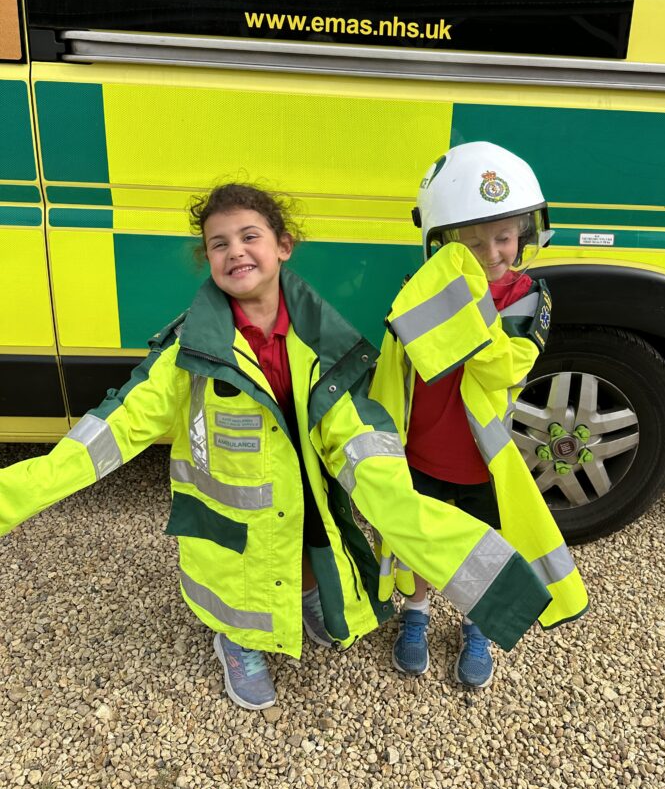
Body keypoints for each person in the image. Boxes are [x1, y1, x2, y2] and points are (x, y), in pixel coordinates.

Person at [0, 180, 562, 710]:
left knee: (321, 540)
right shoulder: (190, 351)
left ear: (283, 246)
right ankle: (238, 642)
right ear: (207, 259)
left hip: (302, 499)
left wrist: (387, 486)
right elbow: (113, 431)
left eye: (250, 237)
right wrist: (15, 493)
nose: (235, 252)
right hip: (229, 523)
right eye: (218, 243)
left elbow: (354, 430)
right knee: (237, 584)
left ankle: (309, 599)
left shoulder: (323, 336)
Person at [370, 142, 589, 688]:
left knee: (481, 547)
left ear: (525, 235)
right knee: (416, 539)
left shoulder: (528, 298)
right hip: (419, 449)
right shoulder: (417, 292)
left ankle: (476, 625)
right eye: (469, 243)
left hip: (482, 462)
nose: (491, 253)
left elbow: (503, 367)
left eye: (503, 237)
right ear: (442, 246)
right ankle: (415, 614)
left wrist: (458, 306)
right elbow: (394, 368)